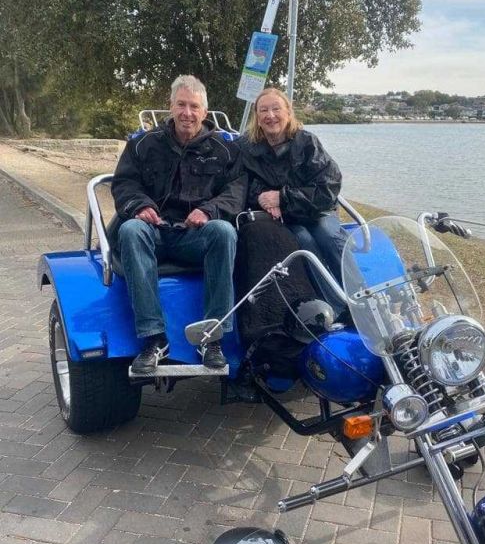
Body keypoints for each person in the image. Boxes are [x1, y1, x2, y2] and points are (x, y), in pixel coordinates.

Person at [111, 75, 246, 373]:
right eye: (181, 105)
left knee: (224, 231)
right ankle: (153, 339)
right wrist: (140, 205)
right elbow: (123, 184)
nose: (187, 113)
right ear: (171, 107)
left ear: (205, 113)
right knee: (130, 229)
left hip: (194, 235)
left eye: (194, 106)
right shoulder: (142, 144)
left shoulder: (224, 151)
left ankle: (212, 338)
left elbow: (235, 192)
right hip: (153, 231)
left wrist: (209, 210)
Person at [237, 88, 347, 287]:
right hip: (284, 217)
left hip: (316, 211)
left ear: (288, 112)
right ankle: (335, 302)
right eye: (263, 110)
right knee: (303, 241)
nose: (270, 116)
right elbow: (243, 182)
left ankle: (362, 296)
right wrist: (264, 198)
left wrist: (282, 197)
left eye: (276, 109)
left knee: (329, 237)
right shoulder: (247, 147)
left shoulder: (307, 142)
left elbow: (329, 186)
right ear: (257, 117)